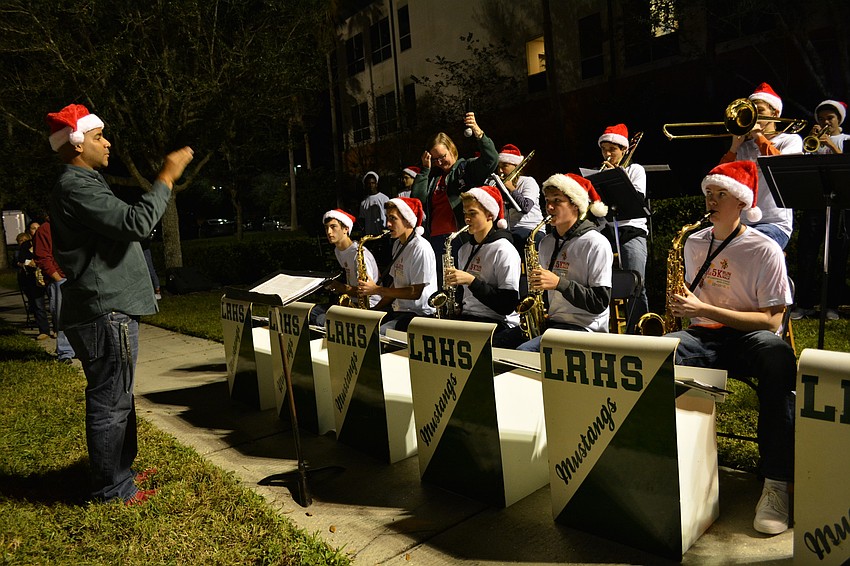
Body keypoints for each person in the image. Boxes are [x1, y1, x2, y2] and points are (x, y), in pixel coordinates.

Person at [46, 102, 194, 505]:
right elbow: (137, 223)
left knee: (118, 396)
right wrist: (165, 176)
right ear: (76, 144)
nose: (107, 143)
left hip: (105, 307)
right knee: (110, 402)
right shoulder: (76, 186)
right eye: (98, 136)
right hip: (104, 310)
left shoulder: (85, 183)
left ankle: (119, 476)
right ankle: (111, 490)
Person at [666, 160, 795, 536]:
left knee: (777, 358)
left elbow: (772, 322)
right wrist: (686, 308)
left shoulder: (764, 248)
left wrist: (703, 307)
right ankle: (675, 468)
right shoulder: (693, 241)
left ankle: (776, 481)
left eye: (720, 193)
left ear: (741, 202)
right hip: (703, 334)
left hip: (747, 337)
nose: (711, 199)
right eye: (709, 192)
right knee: (656, 358)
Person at [508, 173, 612, 352]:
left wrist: (558, 283)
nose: (549, 207)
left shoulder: (596, 242)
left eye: (557, 201)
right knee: (496, 342)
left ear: (575, 205)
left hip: (586, 328)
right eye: (547, 200)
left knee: (523, 352)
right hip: (555, 324)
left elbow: (599, 302)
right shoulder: (546, 242)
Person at [411, 112, 499, 285]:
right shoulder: (434, 178)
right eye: (435, 159)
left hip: (459, 237)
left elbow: (491, 160)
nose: (439, 162)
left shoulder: (465, 169)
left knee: (459, 283)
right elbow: (418, 199)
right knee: (442, 283)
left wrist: (478, 133)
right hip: (436, 238)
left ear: (452, 149)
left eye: (442, 156)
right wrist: (425, 170)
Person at [721, 82, 803, 249]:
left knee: (749, 252)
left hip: (774, 223)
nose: (755, 116)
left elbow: (783, 168)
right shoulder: (744, 148)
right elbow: (721, 181)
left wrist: (759, 136)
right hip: (742, 222)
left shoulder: (790, 140)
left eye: (760, 111)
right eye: (752, 112)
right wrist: (734, 148)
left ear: (775, 113)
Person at [791, 99, 849, 320]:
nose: (825, 121)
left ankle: (831, 305)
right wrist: (811, 143)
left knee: (837, 255)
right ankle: (803, 303)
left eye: (830, 118)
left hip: (841, 204)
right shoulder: (812, 142)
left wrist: (832, 146)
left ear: (839, 119)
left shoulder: (846, 140)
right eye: (822, 118)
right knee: (807, 253)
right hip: (815, 202)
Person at [443, 185, 521, 345]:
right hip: (469, 318)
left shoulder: (504, 249)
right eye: (465, 214)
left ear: (489, 215)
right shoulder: (465, 249)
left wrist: (471, 281)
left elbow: (506, 305)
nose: (466, 219)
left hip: (497, 323)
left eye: (472, 213)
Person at [596, 124, 649, 332]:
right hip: (608, 232)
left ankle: (639, 330)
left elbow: (635, 201)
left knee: (636, 283)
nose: (607, 154)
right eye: (604, 149)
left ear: (624, 150)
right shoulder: (601, 172)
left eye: (612, 149)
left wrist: (616, 177)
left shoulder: (635, 170)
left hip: (632, 231)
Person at [358, 197, 437, 332]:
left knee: (379, 332)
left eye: (393, 218)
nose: (388, 224)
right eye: (387, 218)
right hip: (401, 311)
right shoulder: (397, 244)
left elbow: (415, 292)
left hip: (420, 314)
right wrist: (373, 311)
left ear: (407, 220)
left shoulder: (420, 247)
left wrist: (376, 290)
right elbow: (396, 284)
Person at [311, 209, 381, 326]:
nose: (329, 232)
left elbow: (365, 291)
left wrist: (339, 287)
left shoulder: (359, 253)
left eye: (333, 227)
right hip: (352, 301)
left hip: (369, 306)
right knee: (312, 312)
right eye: (326, 227)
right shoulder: (338, 250)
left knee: (321, 319)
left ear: (346, 229)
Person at [33, 216, 76, 363]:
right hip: (60, 278)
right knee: (61, 316)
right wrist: (56, 277)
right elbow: (42, 256)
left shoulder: (72, 224)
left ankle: (79, 349)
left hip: (77, 276)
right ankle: (65, 353)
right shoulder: (45, 229)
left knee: (82, 315)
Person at [497, 144, 544, 250]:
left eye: (504, 166)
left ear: (515, 166)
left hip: (530, 228)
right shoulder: (499, 185)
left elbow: (526, 207)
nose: (500, 171)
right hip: (509, 229)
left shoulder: (528, 181)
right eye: (498, 167)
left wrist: (512, 189)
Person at [15, 231, 51, 339]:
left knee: (54, 304)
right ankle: (44, 330)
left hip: (47, 277)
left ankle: (57, 328)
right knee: (38, 304)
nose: (23, 242)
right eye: (21, 241)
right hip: (32, 280)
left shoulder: (42, 244)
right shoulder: (24, 249)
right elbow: (19, 261)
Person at [359, 170, 390, 266]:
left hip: (383, 236)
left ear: (376, 184)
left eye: (373, 183)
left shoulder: (384, 198)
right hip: (370, 238)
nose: (371, 186)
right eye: (368, 184)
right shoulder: (364, 202)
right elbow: (362, 220)